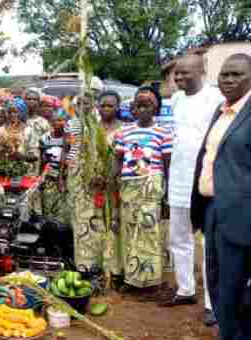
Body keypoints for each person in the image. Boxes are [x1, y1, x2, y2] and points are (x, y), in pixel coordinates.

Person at [191, 53, 251, 340]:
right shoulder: (222, 110)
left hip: (243, 218)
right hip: (214, 211)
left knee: (241, 293)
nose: (228, 80)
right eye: (224, 74)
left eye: (236, 74)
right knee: (219, 289)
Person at [159, 55, 224, 326]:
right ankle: (185, 289)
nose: (179, 78)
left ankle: (212, 302)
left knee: (209, 243)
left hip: (207, 183)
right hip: (178, 180)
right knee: (179, 238)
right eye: (176, 75)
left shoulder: (217, 98)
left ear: (202, 71)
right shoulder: (176, 101)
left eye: (185, 73)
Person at [113, 87, 172, 290]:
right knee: (129, 231)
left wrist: (168, 197)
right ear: (133, 109)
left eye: (148, 104)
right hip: (128, 187)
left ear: (156, 108)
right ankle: (131, 279)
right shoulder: (124, 131)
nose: (143, 107)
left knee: (148, 231)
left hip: (151, 186)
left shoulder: (163, 132)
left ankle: (149, 280)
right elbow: (118, 161)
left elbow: (167, 164)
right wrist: (113, 183)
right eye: (138, 104)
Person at [66, 91, 123, 277]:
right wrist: (91, 174)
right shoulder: (89, 129)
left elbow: (124, 159)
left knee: (112, 226)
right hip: (91, 188)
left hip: (114, 187)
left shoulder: (124, 130)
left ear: (118, 107)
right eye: (103, 105)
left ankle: (112, 270)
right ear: (97, 107)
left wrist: (109, 176)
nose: (106, 109)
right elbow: (80, 156)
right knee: (91, 225)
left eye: (110, 105)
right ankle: (89, 268)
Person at [40, 109, 70, 223]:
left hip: (65, 178)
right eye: (54, 120)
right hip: (49, 178)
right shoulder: (45, 137)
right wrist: (40, 179)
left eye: (61, 120)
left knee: (62, 210)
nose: (57, 123)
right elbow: (42, 161)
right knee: (48, 208)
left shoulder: (70, 138)